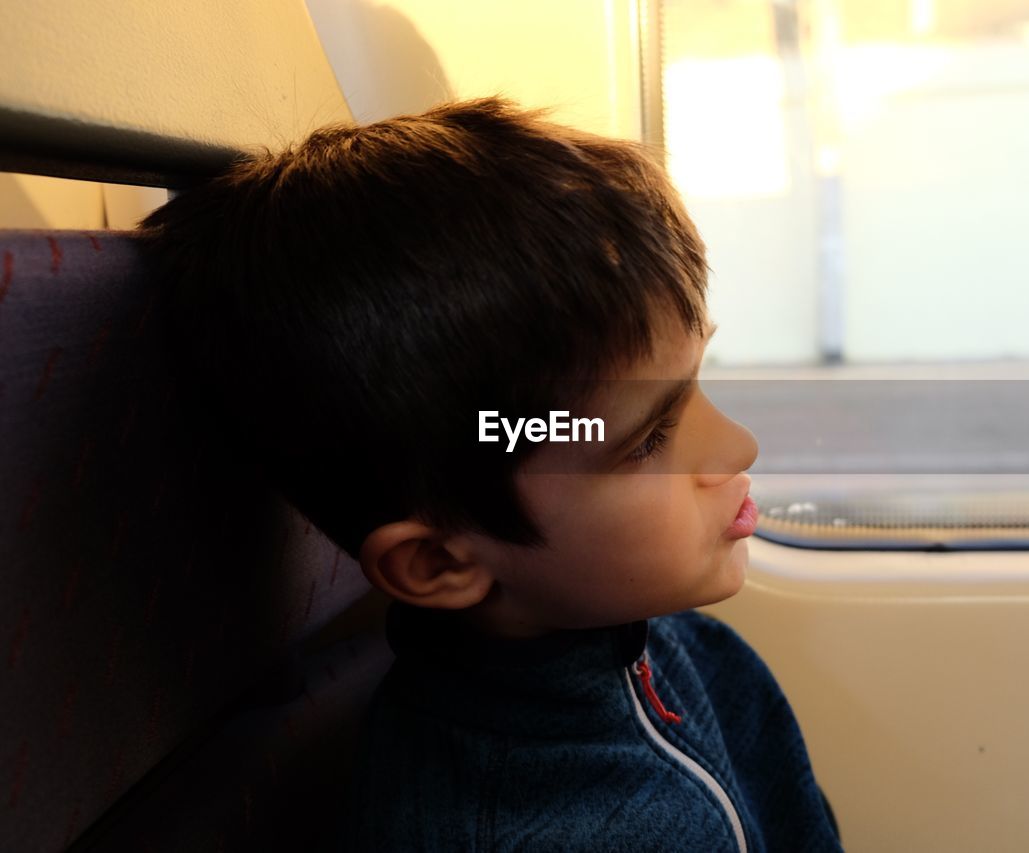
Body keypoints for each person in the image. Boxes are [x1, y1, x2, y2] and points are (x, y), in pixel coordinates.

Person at [136, 96, 843, 852]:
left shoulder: (687, 653)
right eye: (648, 439)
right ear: (440, 561)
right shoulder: (521, 829)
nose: (738, 445)